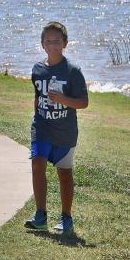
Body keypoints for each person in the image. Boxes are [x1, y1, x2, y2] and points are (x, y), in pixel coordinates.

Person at [24, 21, 89, 234]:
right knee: (36, 165)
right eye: (48, 41)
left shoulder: (72, 71)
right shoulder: (38, 69)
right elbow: (37, 96)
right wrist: (36, 118)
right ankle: (40, 215)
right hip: (42, 127)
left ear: (65, 44)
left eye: (57, 41)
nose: (53, 45)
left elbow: (83, 102)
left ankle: (66, 218)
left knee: (64, 173)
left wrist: (63, 98)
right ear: (42, 44)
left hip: (64, 131)